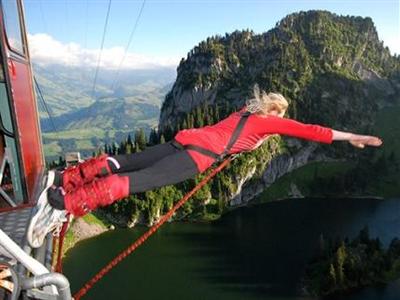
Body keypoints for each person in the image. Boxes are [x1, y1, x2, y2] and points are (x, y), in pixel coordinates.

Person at [27, 85, 383, 248]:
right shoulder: (267, 122)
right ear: (276, 111)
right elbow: (311, 131)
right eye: (282, 114)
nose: (282, 119)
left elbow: (233, 136)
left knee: (127, 161)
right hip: (196, 158)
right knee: (137, 182)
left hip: (184, 139)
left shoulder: (245, 112)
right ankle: (68, 203)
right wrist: (351, 136)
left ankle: (66, 178)